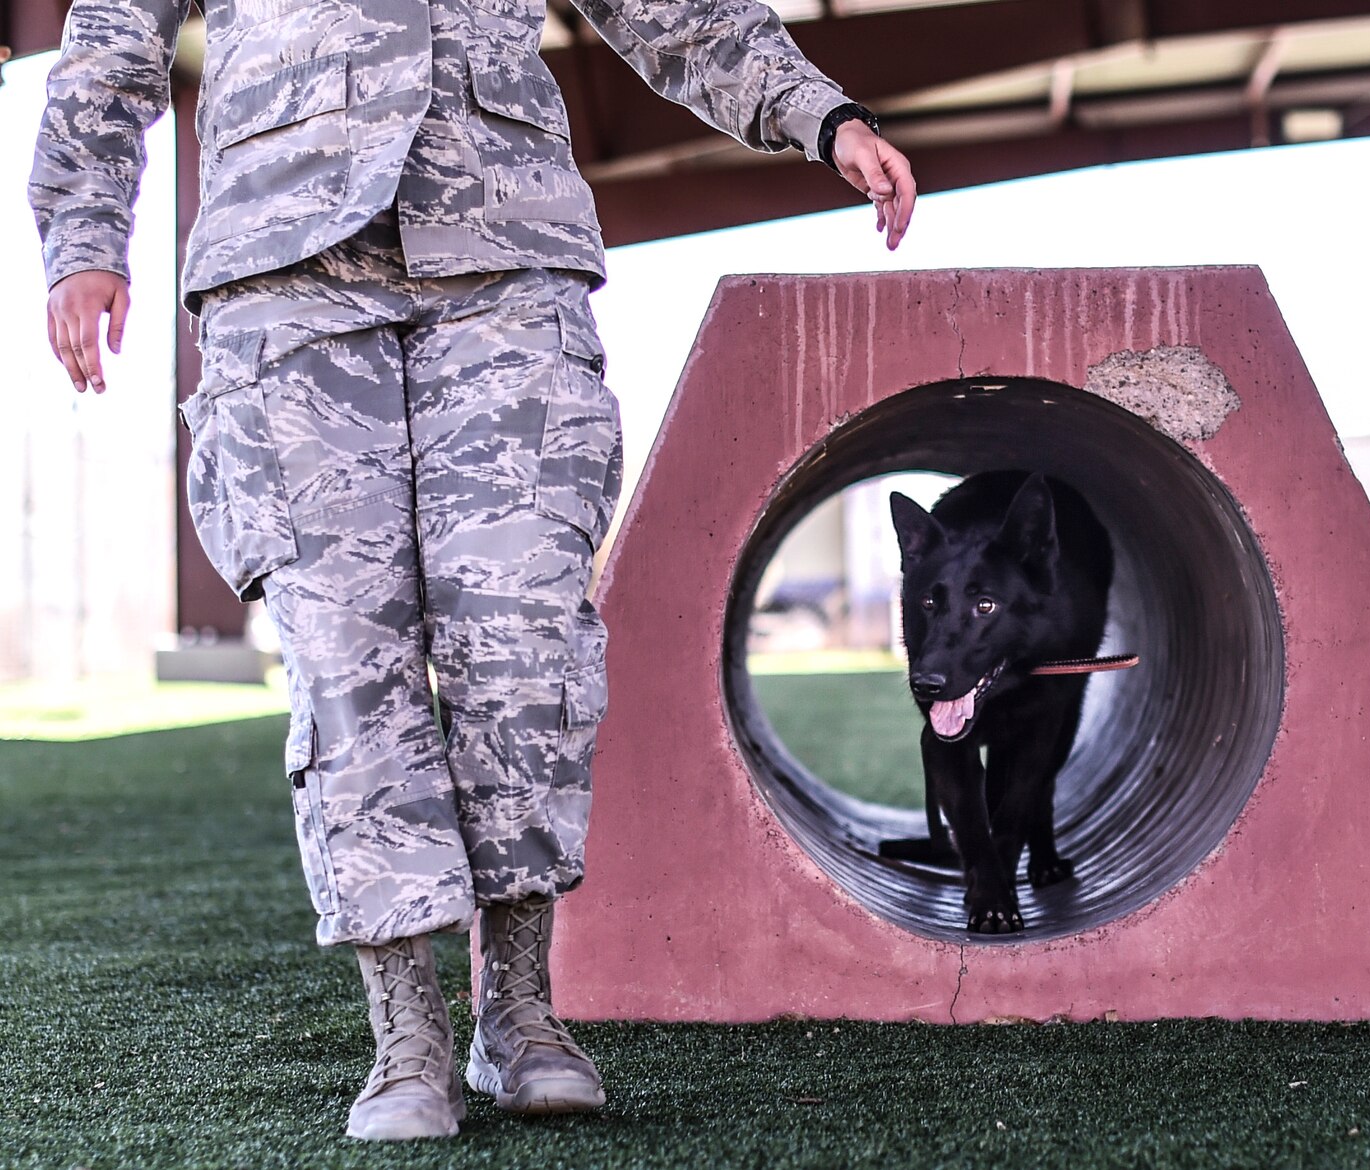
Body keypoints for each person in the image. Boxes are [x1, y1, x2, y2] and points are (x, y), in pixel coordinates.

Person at [30, 0, 914, 1142]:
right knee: (351, 662)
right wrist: (85, 237)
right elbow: (110, 41)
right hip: (284, 277)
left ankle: (521, 1011)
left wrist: (819, 112)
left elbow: (674, 10)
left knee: (520, 642)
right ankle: (405, 1031)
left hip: (504, 258)